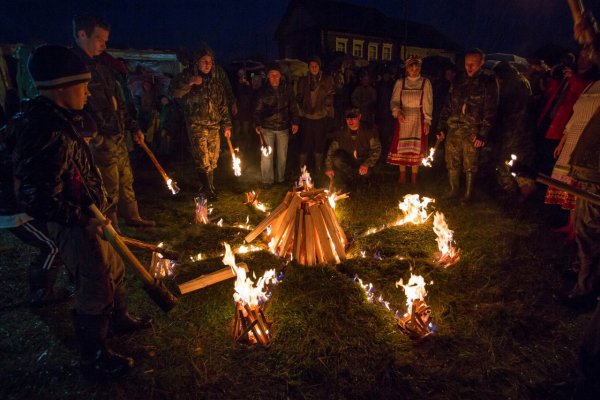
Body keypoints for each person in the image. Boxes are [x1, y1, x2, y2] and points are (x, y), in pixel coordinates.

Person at [11, 44, 151, 378]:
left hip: (90, 215)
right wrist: (80, 220)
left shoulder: (63, 119)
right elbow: (36, 197)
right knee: (95, 282)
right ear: (61, 89)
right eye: (83, 86)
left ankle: (118, 319)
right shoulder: (46, 131)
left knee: (114, 267)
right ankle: (94, 356)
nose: (89, 93)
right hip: (73, 222)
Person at [72, 13, 155, 229]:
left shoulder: (103, 68)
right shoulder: (74, 69)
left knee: (125, 178)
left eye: (105, 40)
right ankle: (112, 227)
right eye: (100, 39)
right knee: (106, 184)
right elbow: (73, 110)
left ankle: (133, 216)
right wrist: (94, 136)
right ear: (82, 34)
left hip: (117, 135)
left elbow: (118, 103)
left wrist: (133, 127)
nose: (104, 44)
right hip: (99, 139)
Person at [436, 49, 499, 203]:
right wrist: (441, 127)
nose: (469, 68)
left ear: (481, 63)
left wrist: (483, 134)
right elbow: (447, 106)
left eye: (473, 64)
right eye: (467, 64)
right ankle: (453, 190)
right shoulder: (458, 80)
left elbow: (491, 110)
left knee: (470, 163)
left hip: (473, 129)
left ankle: (468, 194)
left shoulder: (488, 82)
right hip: (454, 128)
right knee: (451, 160)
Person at [170, 46, 232, 201]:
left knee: (213, 159)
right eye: (204, 61)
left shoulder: (215, 83)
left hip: (214, 126)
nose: (207, 65)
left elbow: (222, 105)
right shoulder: (186, 77)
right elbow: (174, 92)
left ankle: (208, 186)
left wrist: (227, 125)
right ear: (197, 63)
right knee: (202, 158)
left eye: (210, 62)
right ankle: (208, 190)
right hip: (196, 125)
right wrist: (190, 83)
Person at [491, 61, 536, 201]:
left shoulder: (511, 85)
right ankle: (521, 191)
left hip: (512, 129)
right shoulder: (523, 81)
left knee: (505, 159)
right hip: (524, 129)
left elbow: (504, 107)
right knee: (520, 161)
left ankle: (511, 191)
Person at [387, 56, 433, 186]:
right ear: (406, 69)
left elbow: (428, 103)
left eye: (416, 67)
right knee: (402, 148)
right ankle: (402, 176)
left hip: (418, 118)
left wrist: (427, 121)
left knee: (416, 148)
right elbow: (394, 101)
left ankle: (414, 178)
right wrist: (397, 111)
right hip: (403, 118)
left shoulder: (425, 83)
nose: (414, 70)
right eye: (411, 68)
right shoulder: (400, 83)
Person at [254, 63, 300, 187]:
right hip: (267, 128)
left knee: (282, 156)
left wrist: (295, 122)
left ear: (280, 76)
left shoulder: (287, 89)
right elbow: (257, 110)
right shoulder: (263, 91)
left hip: (283, 127)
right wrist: (258, 124)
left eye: (277, 75)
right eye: (272, 75)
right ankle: (267, 180)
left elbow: (293, 106)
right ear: (268, 76)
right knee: (266, 155)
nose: (274, 77)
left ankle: (280, 179)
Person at [324, 107, 381, 190]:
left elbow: (377, 150)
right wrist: (328, 168)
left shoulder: (369, 130)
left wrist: (366, 164)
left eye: (353, 118)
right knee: (337, 159)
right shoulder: (341, 132)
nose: (350, 121)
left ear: (359, 117)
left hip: (364, 159)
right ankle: (352, 177)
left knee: (367, 173)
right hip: (350, 159)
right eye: (348, 118)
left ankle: (363, 180)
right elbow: (331, 151)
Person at [297, 55, 335, 172]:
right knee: (305, 142)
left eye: (316, 66)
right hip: (307, 117)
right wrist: (301, 110)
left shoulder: (327, 79)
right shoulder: (303, 81)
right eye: (311, 66)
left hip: (321, 117)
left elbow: (332, 94)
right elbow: (298, 96)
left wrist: (327, 105)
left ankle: (318, 168)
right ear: (309, 67)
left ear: (319, 67)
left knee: (319, 142)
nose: (314, 68)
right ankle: (302, 168)